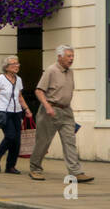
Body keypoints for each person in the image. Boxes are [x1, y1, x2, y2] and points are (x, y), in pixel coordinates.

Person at [30, 45, 93, 183]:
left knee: (70, 141)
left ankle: (76, 172)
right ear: (59, 57)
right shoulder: (51, 70)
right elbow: (39, 91)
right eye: (69, 56)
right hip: (50, 110)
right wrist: (47, 106)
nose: (71, 59)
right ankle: (35, 168)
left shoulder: (70, 72)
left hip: (66, 111)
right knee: (43, 142)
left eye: (72, 56)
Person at [0, 55, 33, 174]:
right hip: (4, 111)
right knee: (10, 136)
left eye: (17, 63)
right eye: (14, 64)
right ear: (7, 67)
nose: (17, 66)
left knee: (17, 141)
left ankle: (10, 166)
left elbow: (19, 96)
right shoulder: (0, 78)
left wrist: (27, 109)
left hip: (17, 112)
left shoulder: (18, 79)